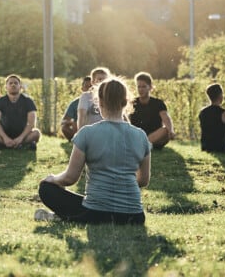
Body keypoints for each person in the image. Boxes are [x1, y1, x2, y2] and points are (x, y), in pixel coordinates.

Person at [36, 76, 152, 224]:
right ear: (125, 102)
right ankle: (65, 217)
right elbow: (143, 180)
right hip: (134, 216)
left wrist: (52, 179)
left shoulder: (86, 133)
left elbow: (70, 178)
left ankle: (62, 217)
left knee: (46, 188)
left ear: (100, 102)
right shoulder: (141, 136)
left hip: (97, 213)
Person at [0, 74, 41, 150]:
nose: (13, 85)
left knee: (36, 133)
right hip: (4, 134)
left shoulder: (28, 101)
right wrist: (5, 138)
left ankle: (8, 144)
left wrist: (20, 138)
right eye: (10, 83)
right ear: (6, 87)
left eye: (16, 83)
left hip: (23, 134)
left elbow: (31, 124)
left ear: (20, 86)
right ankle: (12, 144)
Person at [129, 73, 175, 149]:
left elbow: (165, 117)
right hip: (137, 135)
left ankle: (144, 144)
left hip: (155, 136)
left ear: (150, 87)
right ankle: (145, 145)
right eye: (139, 87)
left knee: (166, 130)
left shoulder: (158, 103)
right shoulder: (132, 103)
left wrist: (171, 131)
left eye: (144, 86)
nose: (141, 89)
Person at [76, 67, 111, 131]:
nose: (103, 82)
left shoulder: (111, 97)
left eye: (105, 80)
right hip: (91, 133)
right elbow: (81, 117)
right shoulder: (86, 96)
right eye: (100, 79)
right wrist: (80, 134)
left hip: (108, 133)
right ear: (92, 82)